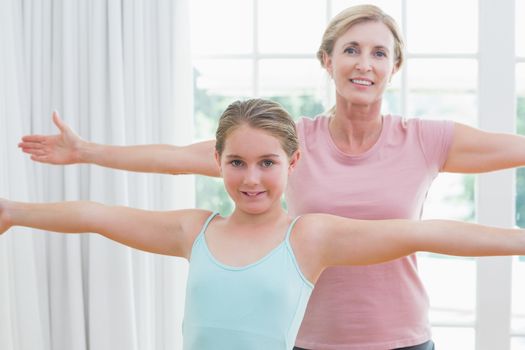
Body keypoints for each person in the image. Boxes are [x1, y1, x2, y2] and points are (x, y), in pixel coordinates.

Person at [17, 5, 525, 350]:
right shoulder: (289, 142)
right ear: (327, 60)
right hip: (306, 335)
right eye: (350, 50)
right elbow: (177, 157)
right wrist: (86, 152)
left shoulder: (424, 138)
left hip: (401, 336)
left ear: (395, 67)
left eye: (378, 53)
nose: (363, 64)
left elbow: (434, 230)